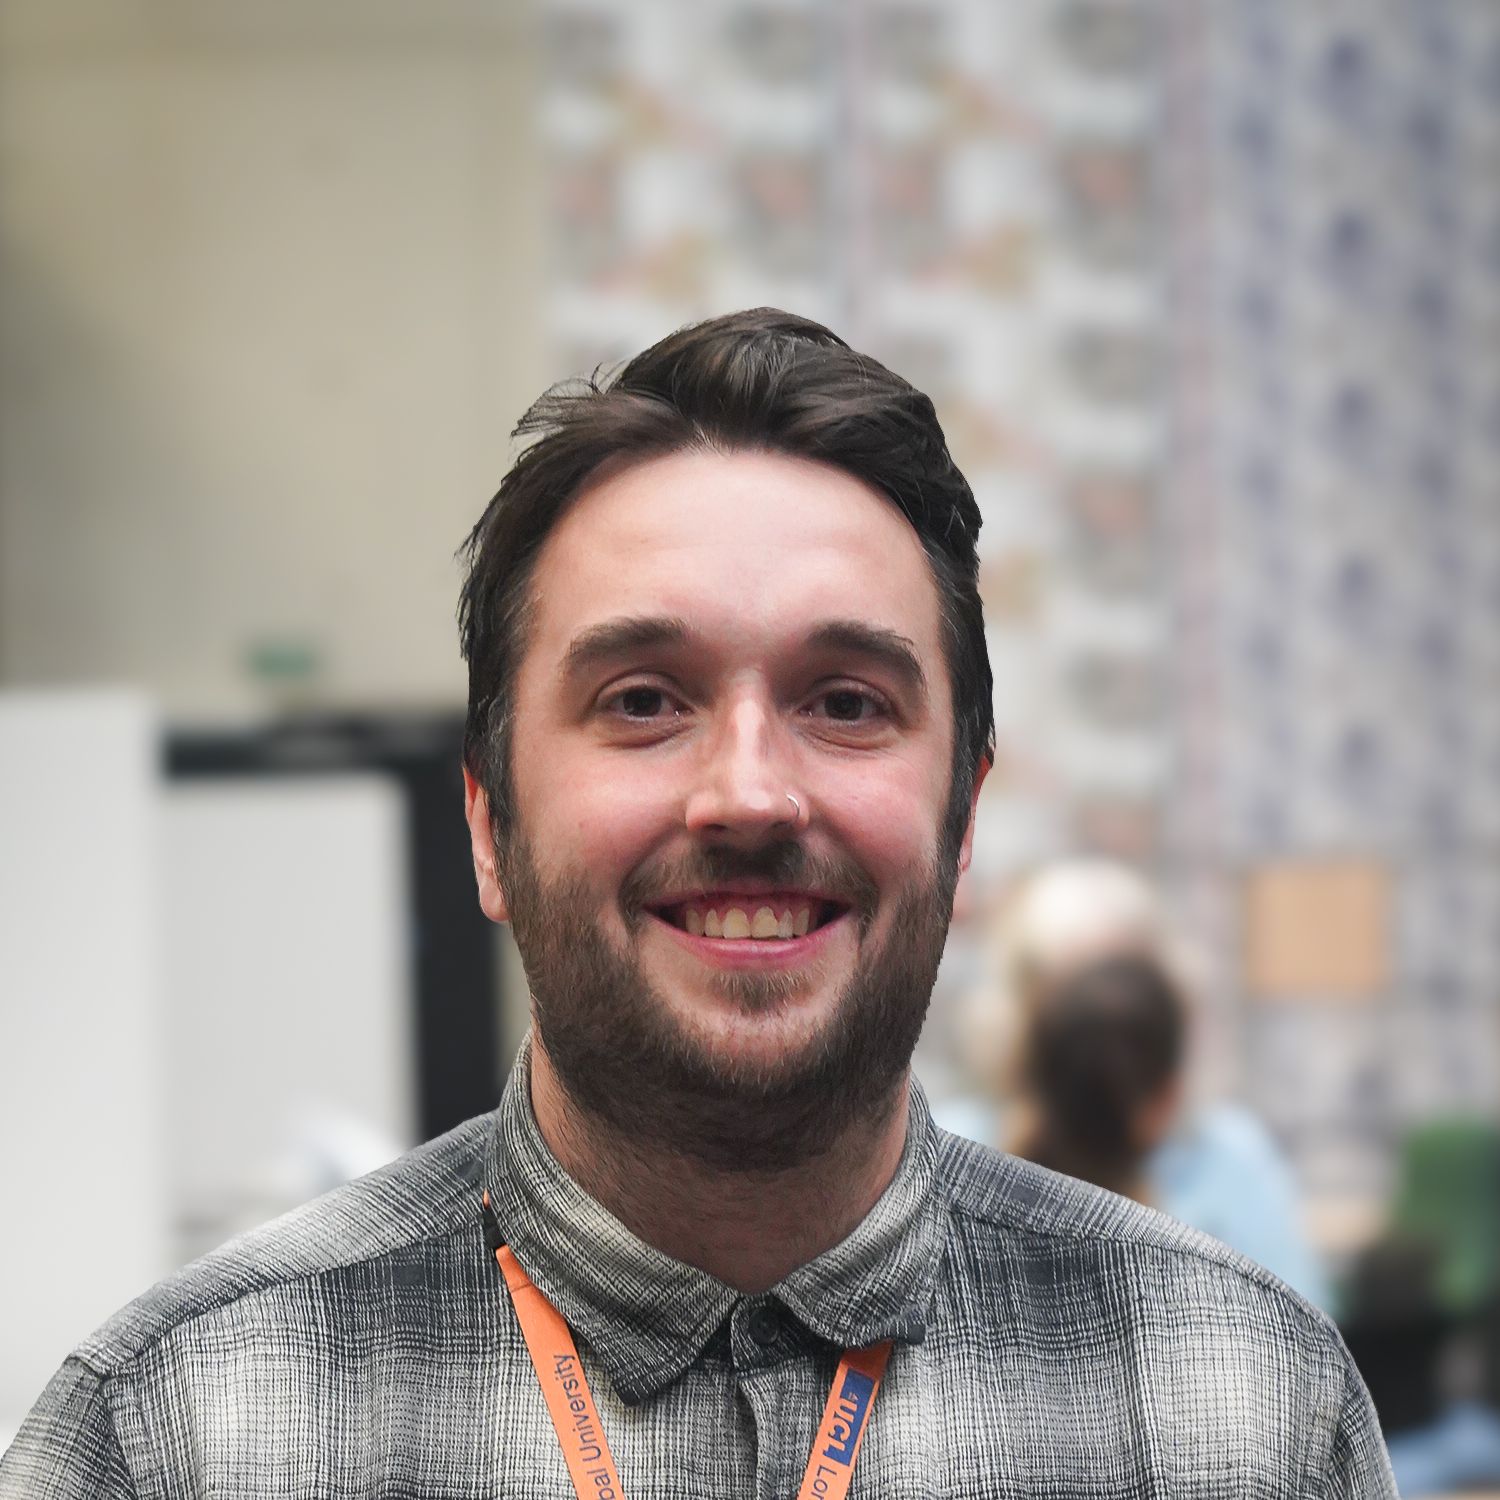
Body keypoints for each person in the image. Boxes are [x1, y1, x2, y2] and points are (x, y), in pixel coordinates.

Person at [1, 310, 1394, 1496]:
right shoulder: (182, 1437)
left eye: (845, 702)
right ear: (489, 823)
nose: (749, 794)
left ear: (961, 820)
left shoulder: (1244, 1411)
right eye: (643, 701)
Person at [984, 858, 1332, 1309]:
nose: (1105, 1056)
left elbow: (1302, 1333)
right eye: (1080, 1017)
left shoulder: (1231, 1155)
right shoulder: (953, 1151)